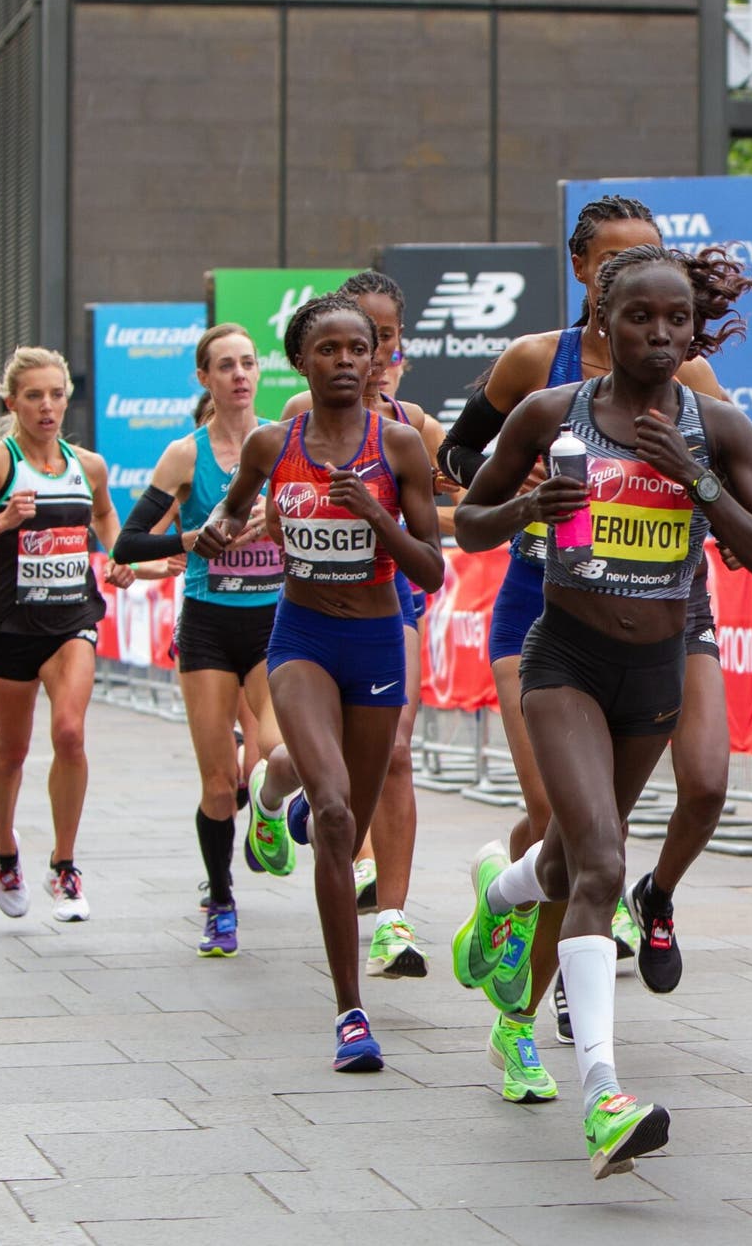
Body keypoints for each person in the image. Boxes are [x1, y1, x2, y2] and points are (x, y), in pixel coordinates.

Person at [452, 243, 752, 1177]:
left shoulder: (717, 429)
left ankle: (501, 895)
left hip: (655, 672)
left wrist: (700, 483)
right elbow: (465, 523)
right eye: (639, 317)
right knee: (603, 860)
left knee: (567, 858)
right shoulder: (548, 414)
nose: (659, 334)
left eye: (676, 319)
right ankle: (604, 1090)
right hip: (564, 659)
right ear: (603, 322)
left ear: (694, 330)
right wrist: (527, 507)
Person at [197, 292, 444, 1071]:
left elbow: (431, 569)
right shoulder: (275, 444)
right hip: (301, 637)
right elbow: (232, 513)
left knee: (349, 811)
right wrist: (218, 529)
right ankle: (350, 1013)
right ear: (302, 363)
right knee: (337, 816)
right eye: (327, 349)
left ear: (376, 359)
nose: (344, 361)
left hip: (375, 638)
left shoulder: (399, 446)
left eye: (357, 349)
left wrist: (376, 515)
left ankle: (291, 805)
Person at [280, 269, 454, 979]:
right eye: (355, 340)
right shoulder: (297, 416)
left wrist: (383, 512)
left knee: (399, 751)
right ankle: (291, 797)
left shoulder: (416, 429)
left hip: (394, 601)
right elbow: (274, 503)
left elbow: (457, 519)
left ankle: (392, 915)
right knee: (323, 773)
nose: (368, 355)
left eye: (382, 339)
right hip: (314, 605)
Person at [0, 347, 140, 922]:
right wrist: (1, 520)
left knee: (70, 733)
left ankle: (65, 866)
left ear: (67, 398)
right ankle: (5, 852)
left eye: (55, 395)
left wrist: (117, 555)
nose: (46, 407)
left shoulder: (88, 465)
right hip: (9, 627)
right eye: (33, 396)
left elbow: (103, 516)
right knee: (13, 751)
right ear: (12, 402)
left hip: (71, 620)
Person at [111, 323, 291, 959]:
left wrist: (285, 517)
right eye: (225, 366)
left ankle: (266, 813)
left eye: (247, 363)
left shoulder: (285, 442)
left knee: (273, 751)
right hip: (210, 623)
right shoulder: (185, 456)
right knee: (219, 786)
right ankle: (220, 901)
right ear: (205, 380)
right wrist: (187, 541)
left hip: (275, 620)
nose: (240, 375)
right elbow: (127, 544)